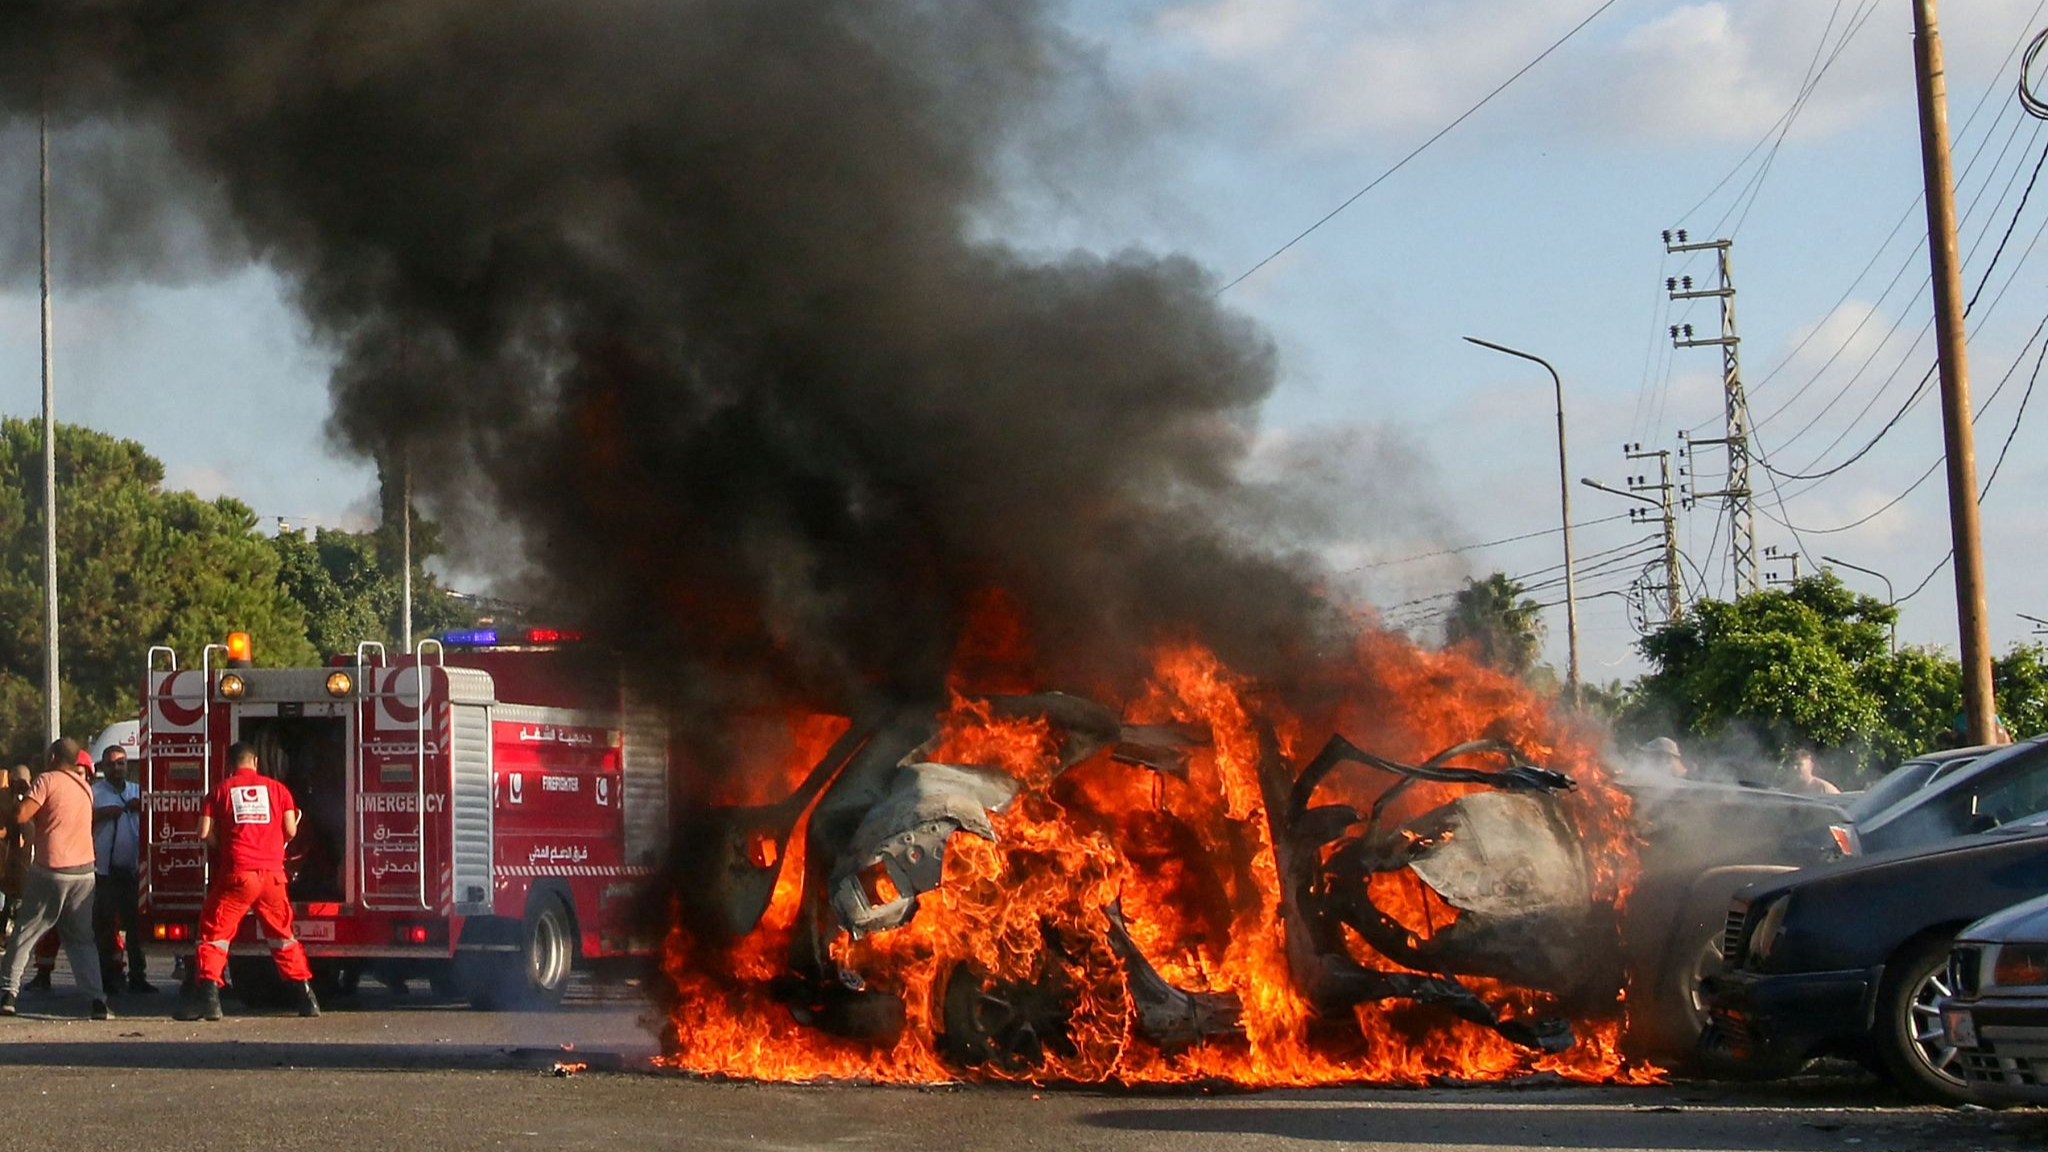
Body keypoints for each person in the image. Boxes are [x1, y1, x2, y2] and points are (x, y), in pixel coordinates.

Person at [174, 742, 318, 1021]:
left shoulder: (219, 791)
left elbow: (203, 832)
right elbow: (290, 830)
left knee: (214, 935)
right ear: (255, 762)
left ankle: (210, 1000)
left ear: (230, 765)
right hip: (273, 877)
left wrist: (223, 846)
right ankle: (307, 998)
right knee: (282, 937)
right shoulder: (279, 790)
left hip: (238, 875)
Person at [0, 739, 110, 1019]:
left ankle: (8, 993)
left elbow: (22, 815)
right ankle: (97, 1000)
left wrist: (17, 798)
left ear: (52, 758)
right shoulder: (85, 787)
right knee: (82, 940)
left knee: (26, 931)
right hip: (84, 873)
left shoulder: (46, 780)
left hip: (51, 869)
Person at [92, 745, 152, 993]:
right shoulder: (95, 793)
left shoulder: (138, 791)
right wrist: (103, 814)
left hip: (133, 872)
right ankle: (108, 978)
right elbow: (83, 819)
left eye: (120, 763)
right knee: (105, 927)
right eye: (110, 764)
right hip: (105, 871)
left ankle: (139, 977)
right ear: (103, 768)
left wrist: (142, 808)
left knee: (136, 927)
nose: (116, 768)